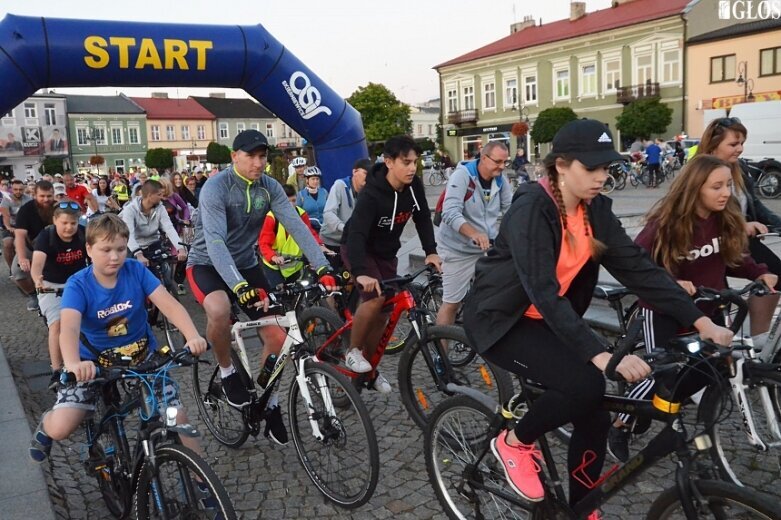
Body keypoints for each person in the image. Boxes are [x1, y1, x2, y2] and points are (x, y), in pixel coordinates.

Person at [461, 119, 733, 512]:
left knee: (596, 415)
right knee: (584, 383)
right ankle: (513, 442)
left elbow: (640, 269)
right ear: (561, 166)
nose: (601, 177)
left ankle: (582, 505)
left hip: (550, 320)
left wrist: (702, 321)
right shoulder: (532, 208)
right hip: (502, 320)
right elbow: (541, 289)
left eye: (606, 168)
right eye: (591, 169)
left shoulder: (595, 210)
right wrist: (598, 353)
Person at [607, 154, 777, 461]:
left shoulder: (725, 218)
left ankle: (668, 406)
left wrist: (759, 272)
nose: (725, 192)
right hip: (663, 311)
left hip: (707, 311)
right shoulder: (667, 224)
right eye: (716, 186)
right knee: (664, 374)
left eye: (728, 184)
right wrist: (670, 279)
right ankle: (621, 423)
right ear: (695, 188)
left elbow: (735, 257)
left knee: (708, 371)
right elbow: (639, 266)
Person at [186, 129, 335, 443]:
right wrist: (238, 286)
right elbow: (214, 240)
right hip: (207, 264)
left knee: (279, 335)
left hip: (247, 264)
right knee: (219, 308)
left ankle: (270, 401)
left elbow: (296, 224)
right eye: (250, 155)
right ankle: (226, 371)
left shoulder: (270, 187)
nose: (257, 162)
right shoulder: (216, 187)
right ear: (234, 156)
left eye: (262, 156)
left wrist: (323, 265)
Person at [28, 214, 208, 465]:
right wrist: (73, 364)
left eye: (121, 249)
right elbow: (68, 329)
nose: (115, 257)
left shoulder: (135, 270)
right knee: (62, 427)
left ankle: (202, 483)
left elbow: (170, 305)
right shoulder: (78, 285)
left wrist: (192, 336)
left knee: (177, 418)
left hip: (142, 356)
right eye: (106, 250)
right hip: (93, 363)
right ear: (89, 249)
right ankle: (46, 427)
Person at [342, 135, 441, 393]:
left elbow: (421, 218)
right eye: (406, 162)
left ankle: (370, 369)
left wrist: (431, 251)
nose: (412, 168)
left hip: (386, 253)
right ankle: (352, 352)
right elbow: (356, 235)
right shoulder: (372, 193)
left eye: (415, 162)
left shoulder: (413, 185)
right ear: (388, 162)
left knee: (385, 313)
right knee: (373, 297)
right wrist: (360, 272)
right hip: (359, 249)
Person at [698, 117, 781, 335]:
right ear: (714, 144)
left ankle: (758, 337)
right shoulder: (700, 171)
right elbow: (702, 214)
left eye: (742, 143)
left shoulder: (738, 169)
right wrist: (740, 225)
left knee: (772, 274)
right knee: (716, 296)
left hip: (740, 239)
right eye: (733, 144)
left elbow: (755, 204)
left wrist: (777, 223)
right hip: (713, 240)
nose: (740, 149)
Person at [435, 141, 513, 327]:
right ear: (484, 158)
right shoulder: (462, 176)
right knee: (451, 304)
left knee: (497, 298)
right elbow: (450, 212)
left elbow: (511, 209)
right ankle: (439, 353)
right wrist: (474, 234)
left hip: (487, 247)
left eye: (505, 162)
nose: (502, 167)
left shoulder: (501, 180)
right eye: (498, 162)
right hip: (458, 249)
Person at [30, 201, 88, 386]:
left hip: (77, 283)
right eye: (64, 223)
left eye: (73, 223)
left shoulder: (84, 234)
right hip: (51, 284)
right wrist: (37, 278)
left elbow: (95, 256)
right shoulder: (46, 236)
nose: (69, 227)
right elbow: (37, 263)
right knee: (57, 325)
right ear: (55, 220)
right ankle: (56, 370)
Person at [259, 184, 332, 288]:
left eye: (294, 201)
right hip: (274, 266)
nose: (292, 205)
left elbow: (309, 234)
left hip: (295, 265)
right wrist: (273, 257)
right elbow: (264, 243)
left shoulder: (302, 214)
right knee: (278, 295)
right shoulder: (271, 217)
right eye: (288, 202)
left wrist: (320, 245)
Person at [118, 180, 187, 268]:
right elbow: (128, 234)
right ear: (150, 195)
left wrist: (180, 248)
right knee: (134, 276)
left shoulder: (161, 208)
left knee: (166, 276)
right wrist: (138, 254)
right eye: (159, 194)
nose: (162, 197)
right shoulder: (130, 210)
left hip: (154, 245)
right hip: (135, 248)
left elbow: (169, 228)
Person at [320, 158, 371, 269]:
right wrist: (344, 227)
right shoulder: (340, 185)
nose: (368, 177)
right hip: (331, 241)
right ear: (354, 172)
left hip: (351, 242)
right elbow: (328, 213)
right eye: (365, 173)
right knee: (333, 279)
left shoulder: (367, 193)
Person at [14, 180, 56, 311]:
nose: (46, 199)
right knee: (17, 273)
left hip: (54, 245)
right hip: (32, 246)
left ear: (53, 194)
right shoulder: (26, 210)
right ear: (35, 195)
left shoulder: (59, 207)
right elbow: (20, 235)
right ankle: (33, 295)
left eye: (49, 196)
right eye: (42, 196)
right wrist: (22, 258)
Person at [1, 179, 32, 272]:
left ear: (23, 189)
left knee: (33, 242)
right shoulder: (6, 200)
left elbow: (31, 215)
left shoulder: (28, 199)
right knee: (8, 243)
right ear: (12, 189)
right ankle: (11, 269)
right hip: (10, 226)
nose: (18, 191)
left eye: (20, 189)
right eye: (15, 189)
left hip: (24, 226)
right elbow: (6, 216)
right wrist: (9, 227)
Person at [295, 166, 328, 232]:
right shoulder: (301, 195)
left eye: (317, 179)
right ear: (307, 180)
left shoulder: (324, 192)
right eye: (313, 179)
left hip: (325, 228)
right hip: (309, 229)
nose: (315, 181)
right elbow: (297, 214)